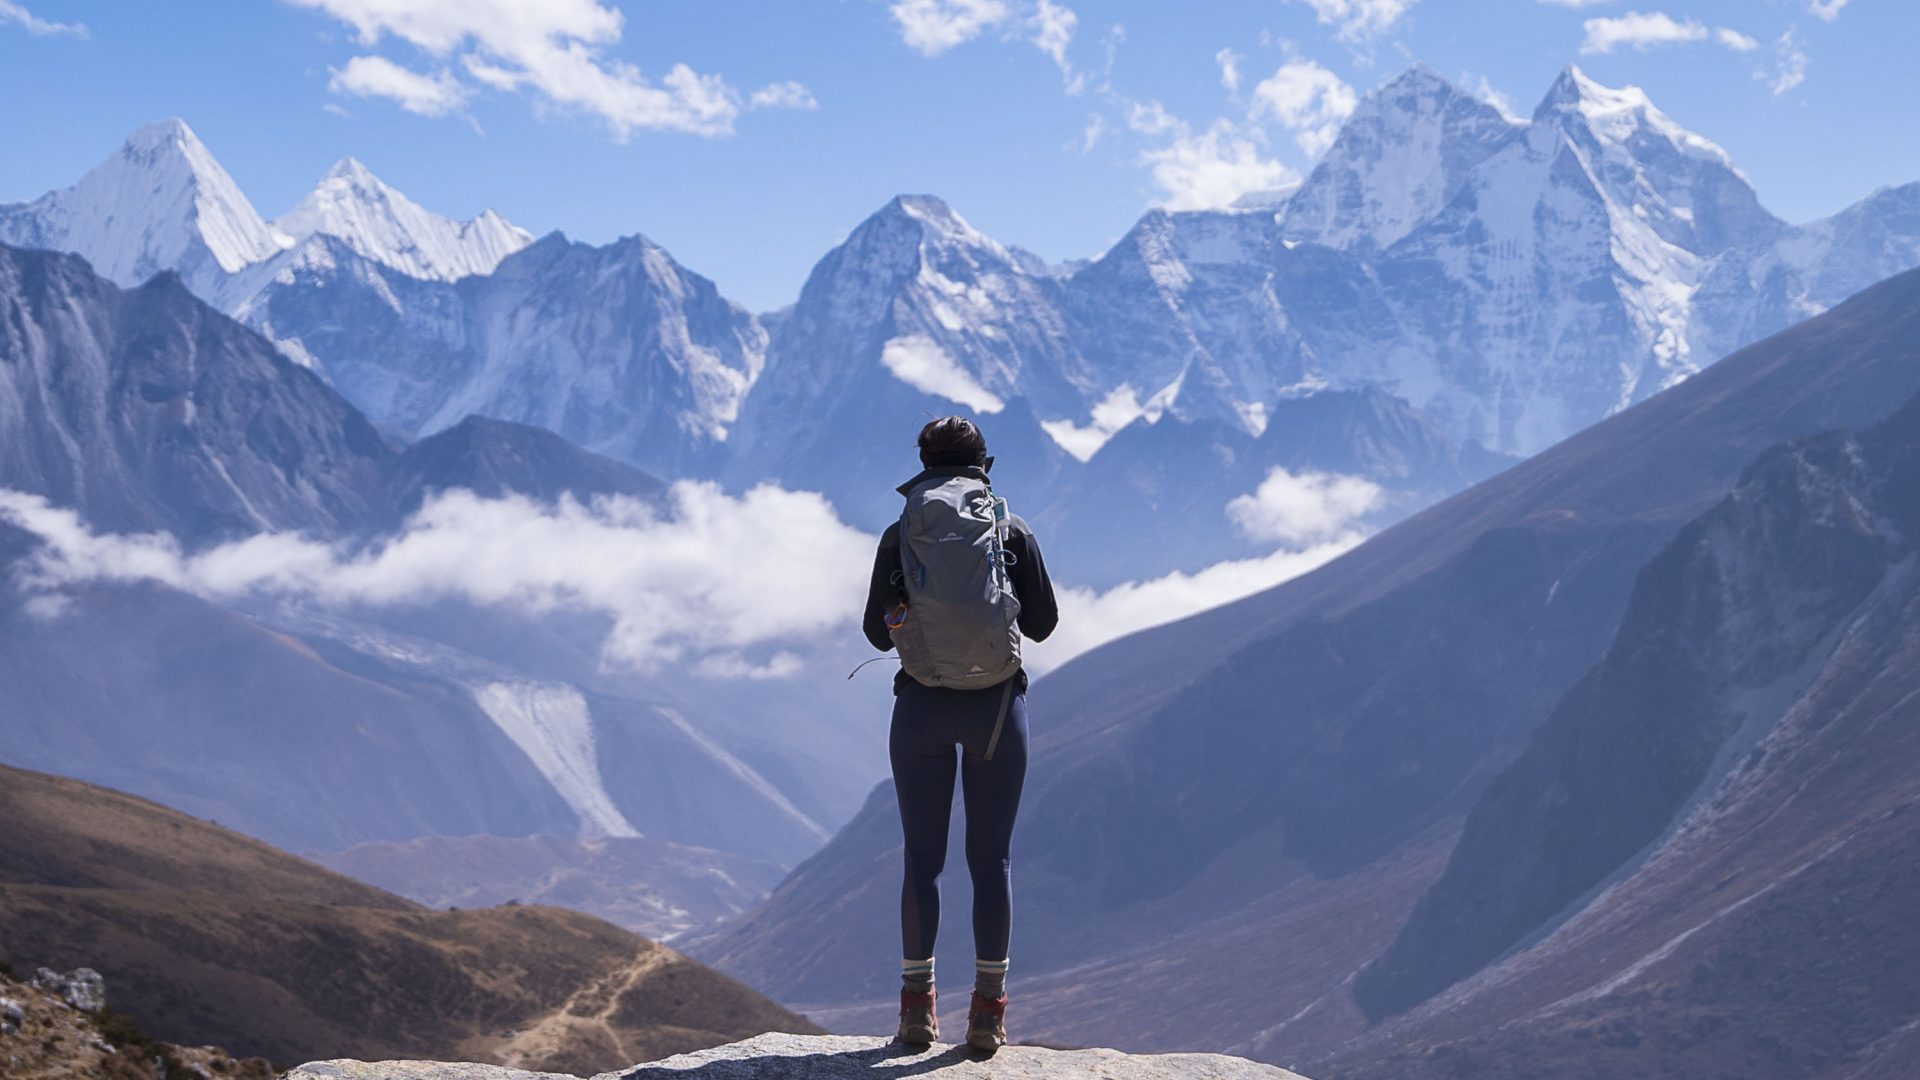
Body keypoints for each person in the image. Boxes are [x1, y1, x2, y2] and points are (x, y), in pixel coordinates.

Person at [862, 416, 1059, 1054]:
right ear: (985, 465)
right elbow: (1045, 626)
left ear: (923, 462)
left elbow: (873, 631)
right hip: (996, 711)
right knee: (990, 860)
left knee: (922, 861)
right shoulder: (1009, 527)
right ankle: (987, 1016)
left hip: (920, 706)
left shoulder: (901, 533)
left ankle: (917, 1013)